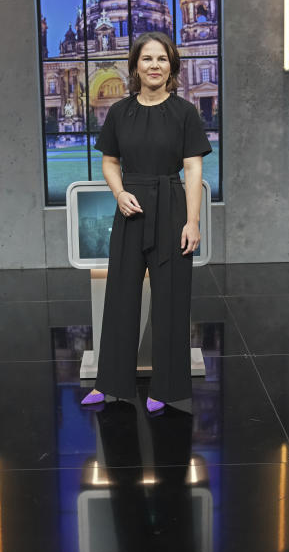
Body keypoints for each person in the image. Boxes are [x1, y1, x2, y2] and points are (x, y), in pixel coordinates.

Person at [81, 31, 211, 413]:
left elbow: (193, 167)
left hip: (172, 206)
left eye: (162, 59)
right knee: (120, 297)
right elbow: (109, 161)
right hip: (130, 209)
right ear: (135, 66)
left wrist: (192, 222)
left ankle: (166, 389)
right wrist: (119, 194)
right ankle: (110, 384)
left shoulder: (185, 112)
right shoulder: (120, 112)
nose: (154, 66)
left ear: (171, 67)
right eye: (147, 59)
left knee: (172, 300)